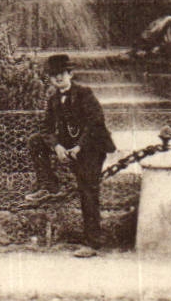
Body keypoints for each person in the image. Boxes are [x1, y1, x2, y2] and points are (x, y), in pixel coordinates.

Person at [25, 53, 117, 257]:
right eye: (54, 75)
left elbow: (95, 123)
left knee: (88, 190)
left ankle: (92, 243)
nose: (58, 78)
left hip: (92, 146)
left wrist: (79, 147)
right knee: (35, 142)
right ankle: (49, 185)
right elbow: (46, 128)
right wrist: (57, 145)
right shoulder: (54, 99)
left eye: (62, 74)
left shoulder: (84, 93)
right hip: (70, 144)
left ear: (70, 74)